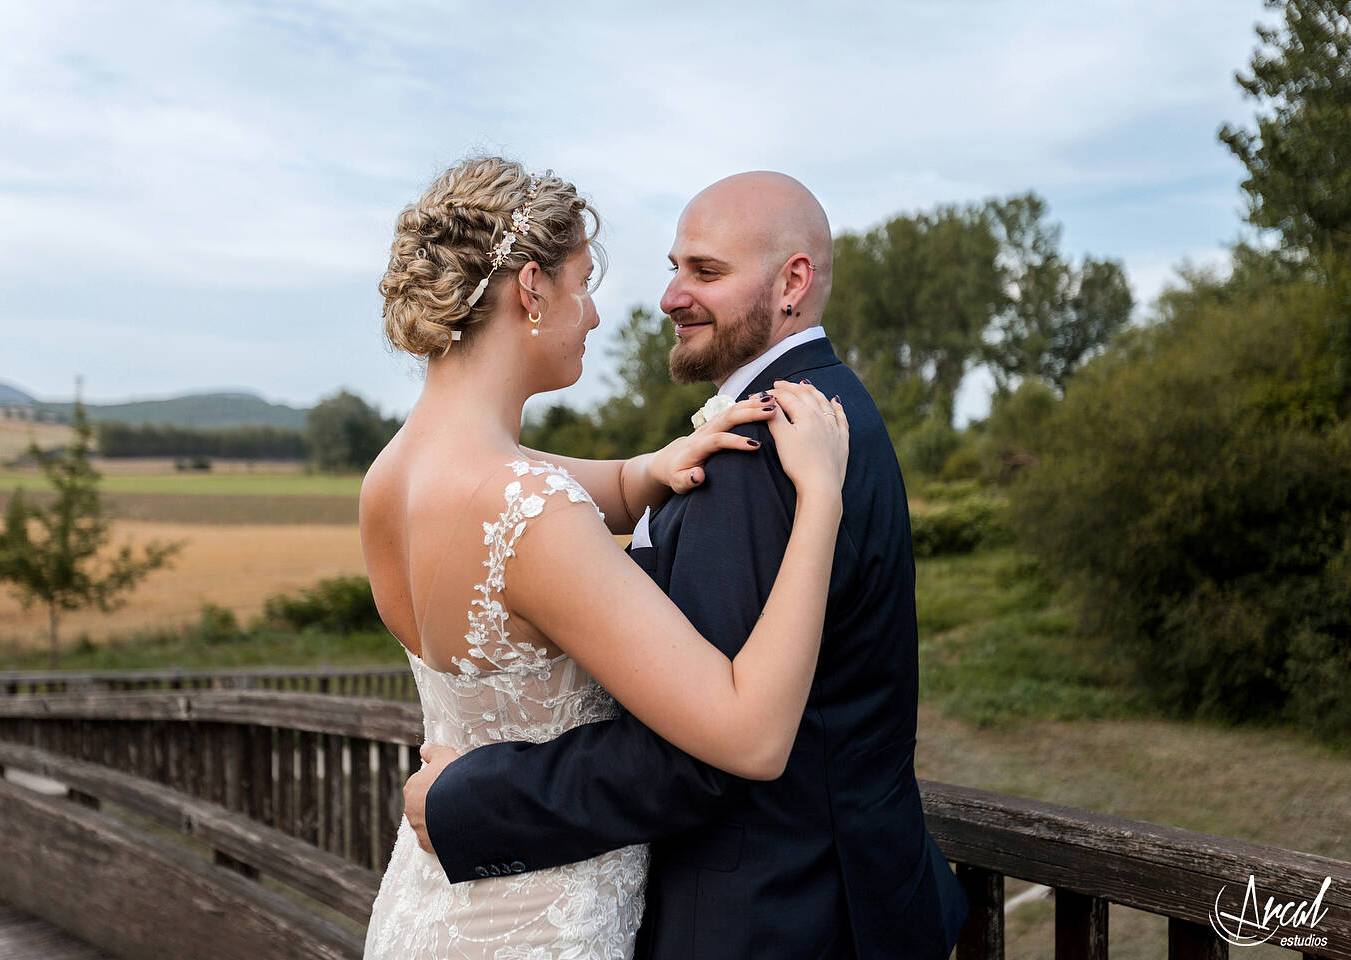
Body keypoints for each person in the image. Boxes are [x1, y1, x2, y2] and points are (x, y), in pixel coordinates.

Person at [405, 171, 971, 959]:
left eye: (705, 272)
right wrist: (649, 469)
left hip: (769, 920)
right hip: (839, 896)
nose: (671, 297)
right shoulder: (821, 406)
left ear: (792, 284)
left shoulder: (766, 445)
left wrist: (470, 801)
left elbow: (703, 751)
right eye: (675, 268)